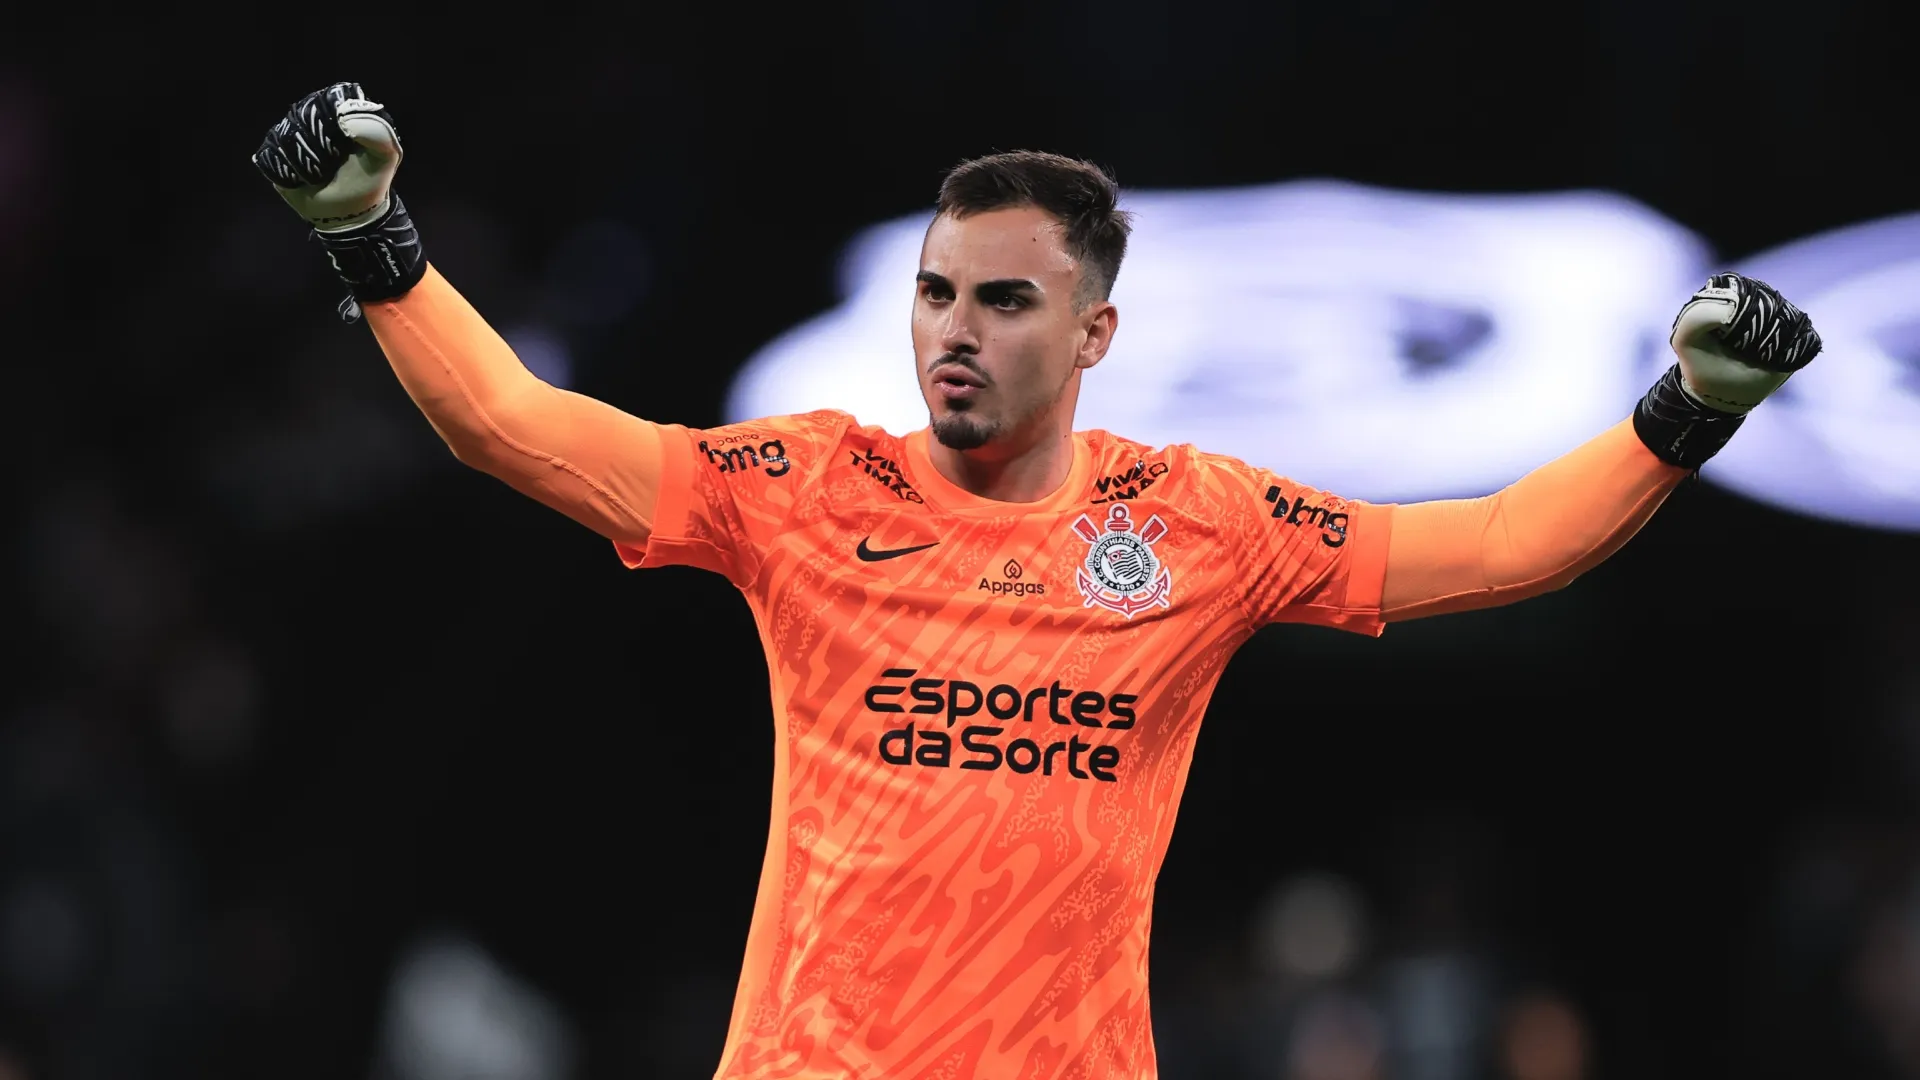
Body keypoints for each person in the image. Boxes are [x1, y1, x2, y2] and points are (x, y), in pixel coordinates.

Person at [252, 83, 1821, 1079]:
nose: (954, 328)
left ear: (1092, 338)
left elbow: (1499, 545)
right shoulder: (806, 490)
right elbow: (521, 427)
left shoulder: (1197, 527)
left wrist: (1684, 416)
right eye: (936, 292)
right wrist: (372, 235)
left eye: (1005, 300)